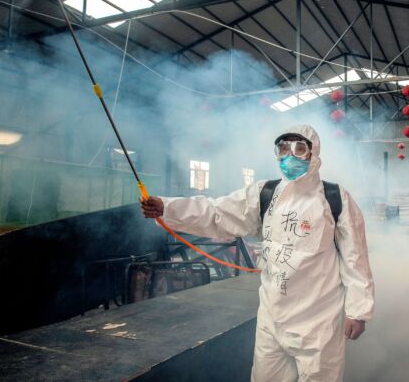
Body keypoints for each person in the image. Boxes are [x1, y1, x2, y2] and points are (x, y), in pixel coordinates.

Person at [140, 124, 375, 382]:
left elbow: (355, 257)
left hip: (319, 320)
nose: (290, 156)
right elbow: (217, 212)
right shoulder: (265, 194)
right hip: (272, 318)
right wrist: (168, 208)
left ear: (314, 154)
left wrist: (358, 311)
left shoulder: (334, 198)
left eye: (299, 149)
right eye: (283, 149)